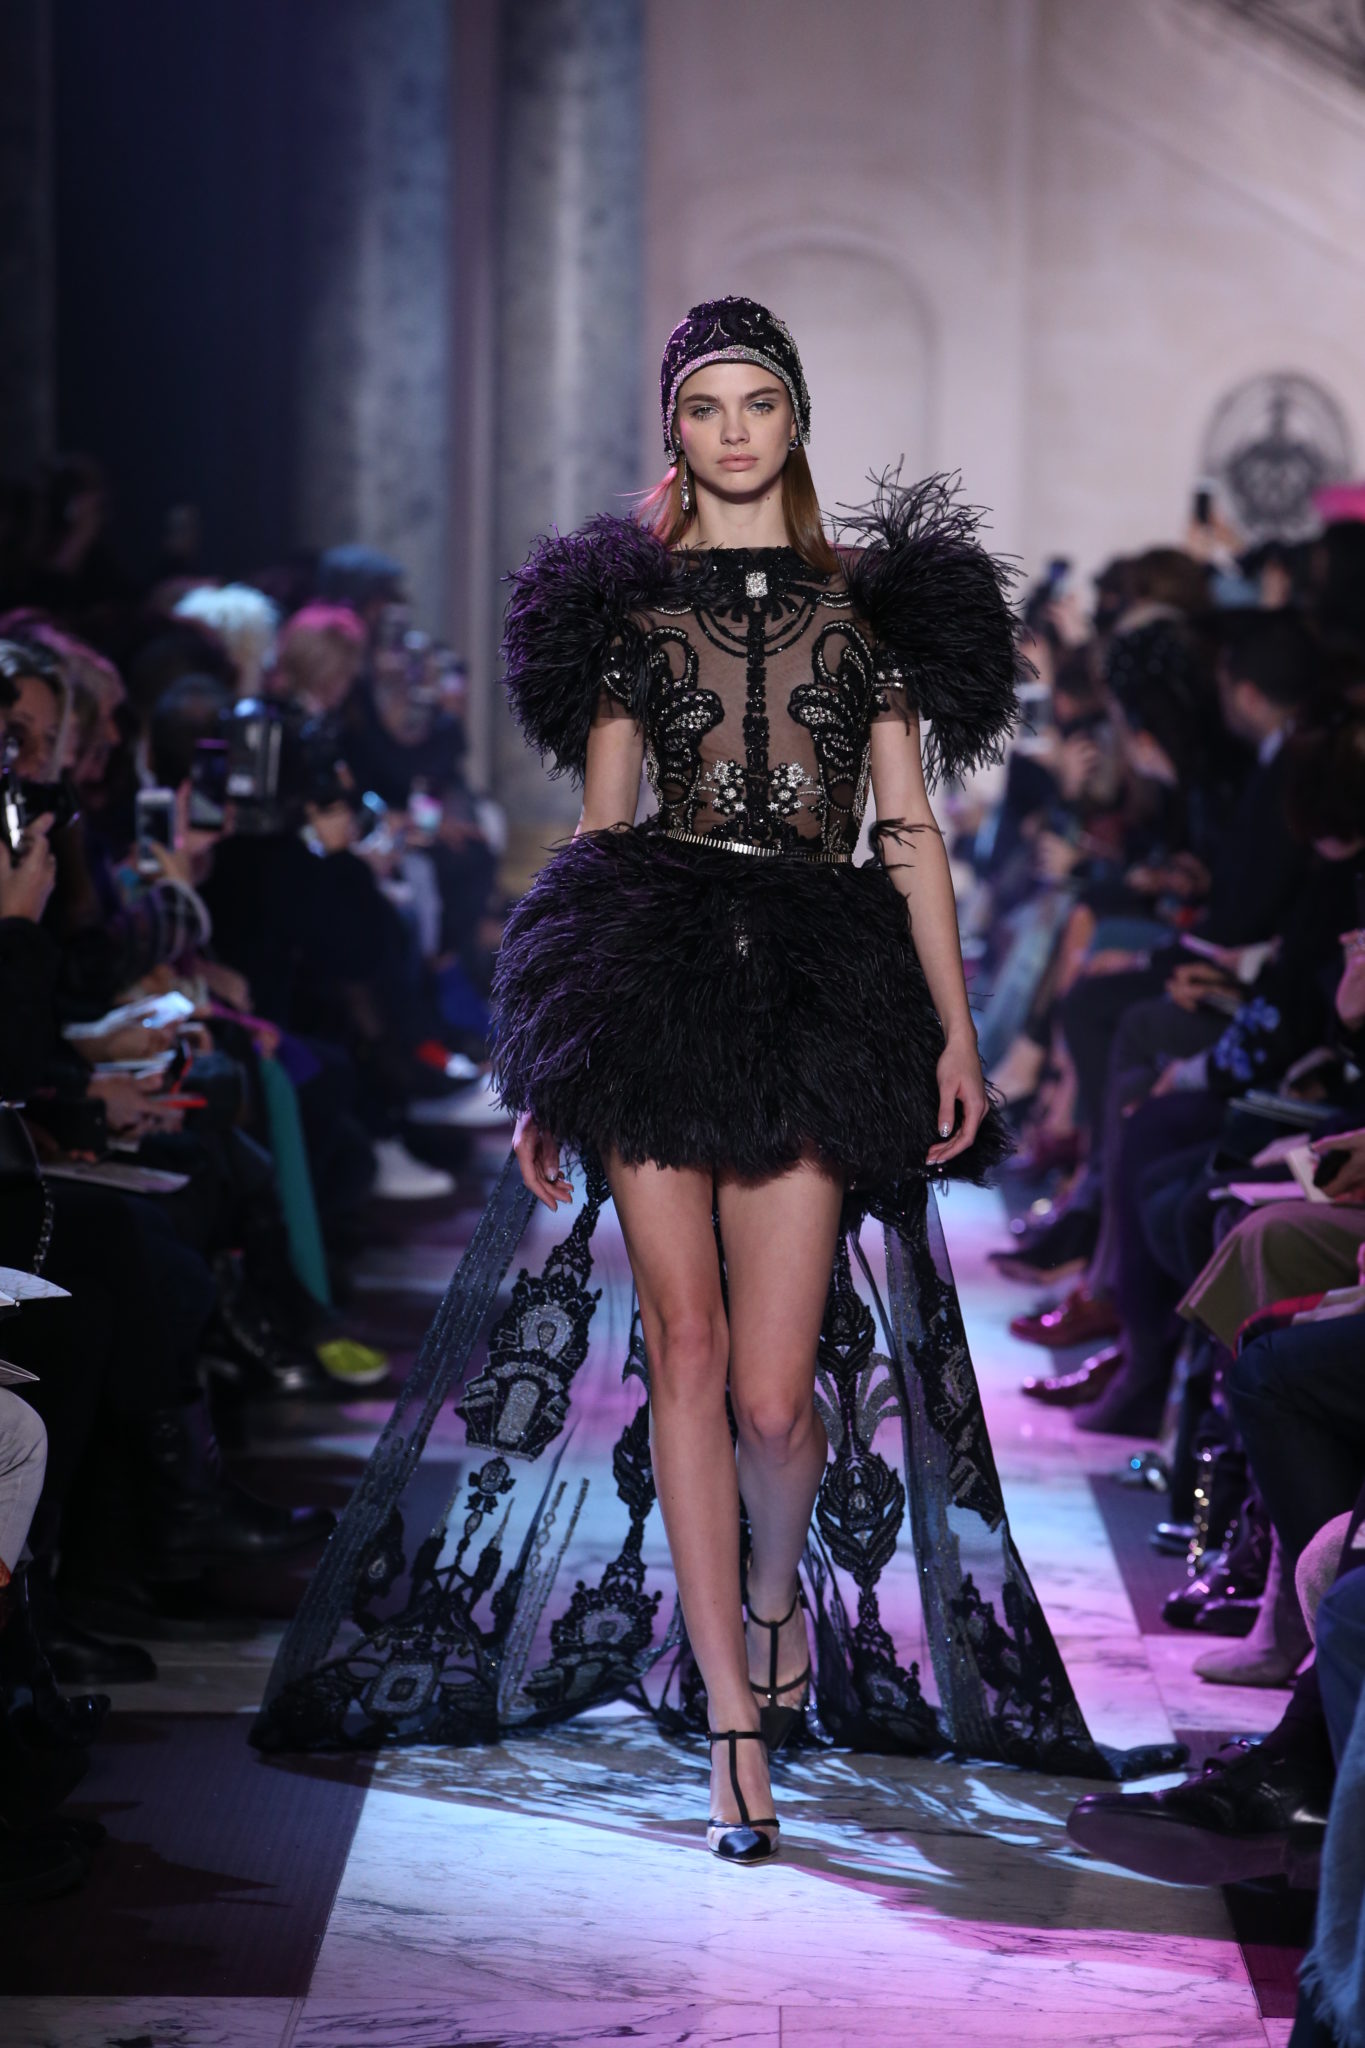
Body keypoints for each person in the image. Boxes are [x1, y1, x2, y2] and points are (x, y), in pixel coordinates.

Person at [253, 295, 1178, 1853]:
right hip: (649, 982)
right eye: (705, 406)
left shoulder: (869, 614)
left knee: (771, 1392)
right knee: (683, 1350)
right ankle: (730, 1718)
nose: (733, 430)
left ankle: (771, 1599)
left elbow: (906, 832)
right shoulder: (629, 622)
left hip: (818, 988)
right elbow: (598, 841)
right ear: (673, 433)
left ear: (794, 421)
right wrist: (549, 1058)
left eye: (758, 403)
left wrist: (955, 1031)